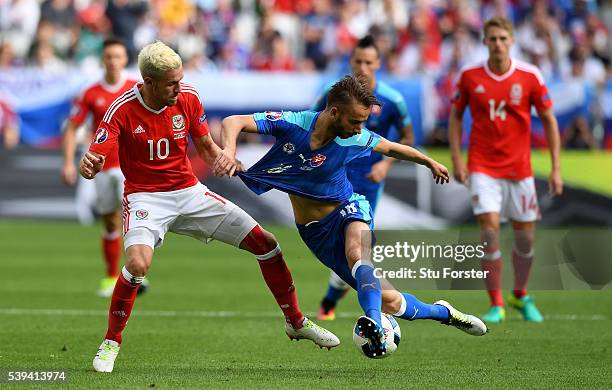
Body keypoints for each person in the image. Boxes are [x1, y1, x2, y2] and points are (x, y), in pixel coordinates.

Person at [81, 41, 339, 373]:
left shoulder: (188, 97)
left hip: (189, 192)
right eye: (171, 82)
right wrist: (90, 164)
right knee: (137, 264)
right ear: (149, 81)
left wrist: (224, 158)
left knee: (268, 244)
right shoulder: (121, 109)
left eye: (180, 79)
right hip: (145, 198)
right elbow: (97, 155)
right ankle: (111, 342)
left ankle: (296, 321)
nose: (179, 86)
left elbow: (205, 147)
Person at [221, 75, 487, 359]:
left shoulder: (355, 137)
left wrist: (428, 161)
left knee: (357, 253)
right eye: (355, 121)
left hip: (348, 208)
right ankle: (444, 312)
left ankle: (372, 319)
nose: (360, 128)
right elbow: (233, 121)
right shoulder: (294, 122)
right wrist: (228, 150)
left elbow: (392, 147)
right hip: (316, 233)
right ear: (334, 112)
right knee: (393, 302)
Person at [448, 17, 563, 324]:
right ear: (485, 42)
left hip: (520, 170)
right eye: (492, 39)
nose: (498, 43)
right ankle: (496, 302)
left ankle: (520, 294)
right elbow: (456, 116)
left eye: (502, 38)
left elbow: (549, 120)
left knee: (525, 241)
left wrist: (555, 168)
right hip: (483, 167)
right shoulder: (470, 76)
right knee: (489, 233)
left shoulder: (529, 76)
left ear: (511, 40)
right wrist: (457, 159)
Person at [311, 35, 414, 321]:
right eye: (358, 61)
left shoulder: (393, 100)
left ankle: (332, 302)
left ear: (378, 63)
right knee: (350, 250)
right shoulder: (332, 94)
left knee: (358, 250)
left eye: (369, 61)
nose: (363, 67)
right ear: (350, 62)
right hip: (335, 179)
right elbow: (311, 124)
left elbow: (408, 138)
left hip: (369, 180)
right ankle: (358, 307)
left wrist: (385, 166)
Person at [62, 38, 139, 297]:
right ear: (103, 59)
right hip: (102, 166)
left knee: (133, 220)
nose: (113, 61)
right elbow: (72, 127)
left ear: (124, 59)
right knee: (109, 221)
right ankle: (110, 277)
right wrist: (68, 163)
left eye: (118, 56)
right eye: (109, 56)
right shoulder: (91, 92)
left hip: (131, 167)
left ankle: (135, 274)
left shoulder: (135, 89)